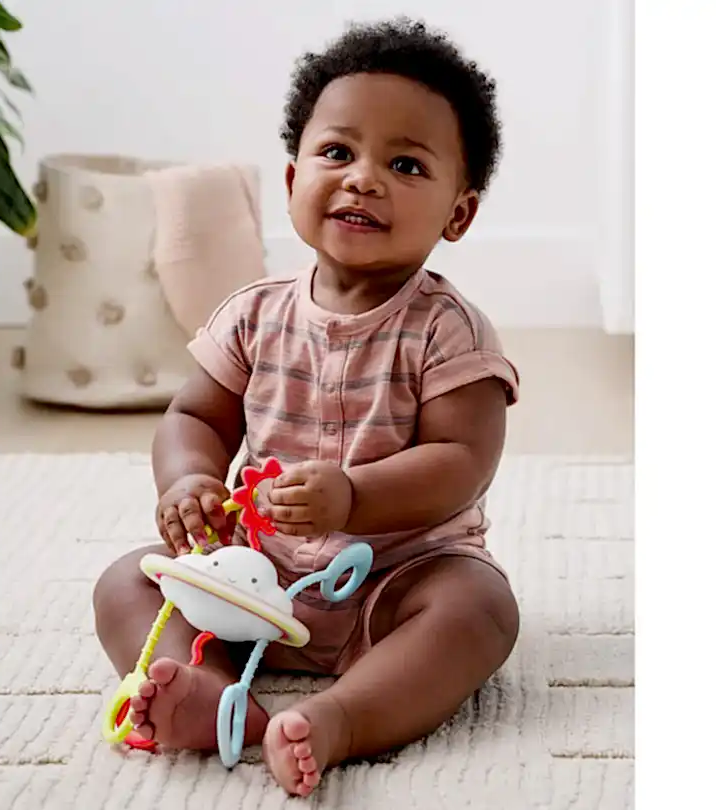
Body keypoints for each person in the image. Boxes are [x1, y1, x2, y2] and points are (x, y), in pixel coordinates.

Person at [93, 17, 521, 797]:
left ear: (458, 214)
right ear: (293, 181)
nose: (363, 179)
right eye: (338, 153)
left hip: (394, 580)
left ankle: (342, 717)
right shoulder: (252, 314)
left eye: (405, 164)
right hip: (252, 574)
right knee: (128, 581)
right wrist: (187, 481)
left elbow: (463, 460)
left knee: (480, 609)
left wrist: (354, 496)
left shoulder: (449, 330)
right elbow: (195, 418)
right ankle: (212, 692)